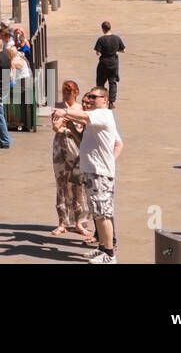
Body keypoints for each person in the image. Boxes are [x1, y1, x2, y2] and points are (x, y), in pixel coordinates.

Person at [53, 87, 123, 263]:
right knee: (97, 214)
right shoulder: (96, 117)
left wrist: (65, 112)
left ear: (105, 100)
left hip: (99, 173)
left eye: (94, 97)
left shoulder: (103, 114)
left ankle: (109, 254)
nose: (90, 100)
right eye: (89, 96)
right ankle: (102, 248)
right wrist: (71, 127)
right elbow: (83, 141)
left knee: (103, 214)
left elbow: (84, 116)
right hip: (92, 170)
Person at [50, 80, 91, 238]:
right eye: (64, 92)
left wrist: (69, 122)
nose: (66, 95)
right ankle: (62, 222)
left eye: (69, 92)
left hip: (75, 147)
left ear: (76, 93)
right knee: (61, 184)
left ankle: (80, 221)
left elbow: (81, 130)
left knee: (77, 185)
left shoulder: (81, 109)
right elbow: (56, 127)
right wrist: (61, 122)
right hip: (59, 147)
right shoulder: (58, 106)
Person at [92, 21, 125, 108]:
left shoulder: (101, 39)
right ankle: (111, 102)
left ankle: (100, 100)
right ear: (110, 28)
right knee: (112, 82)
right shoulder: (117, 38)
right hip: (113, 62)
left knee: (100, 82)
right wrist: (114, 50)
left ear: (103, 29)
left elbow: (97, 53)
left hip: (103, 63)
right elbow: (123, 50)